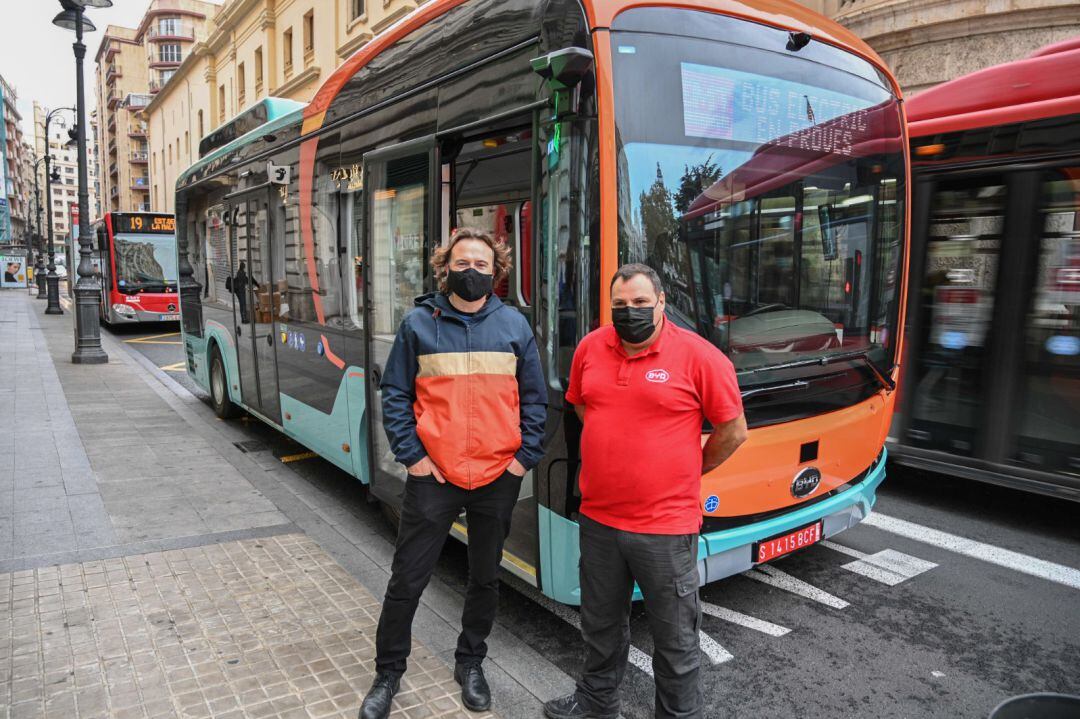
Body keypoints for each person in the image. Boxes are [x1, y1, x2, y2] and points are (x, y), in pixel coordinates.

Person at [544, 263, 747, 719]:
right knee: (600, 627)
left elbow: (733, 430)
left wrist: (687, 469)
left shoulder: (699, 356)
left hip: (665, 528)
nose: (629, 311)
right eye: (620, 305)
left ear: (660, 303)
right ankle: (597, 704)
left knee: (675, 640)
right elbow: (579, 405)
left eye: (639, 303)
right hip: (599, 521)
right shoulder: (590, 348)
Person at [359, 228, 547, 719]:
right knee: (408, 578)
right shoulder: (419, 324)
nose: (472, 272)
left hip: (495, 477)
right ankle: (388, 673)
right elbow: (395, 394)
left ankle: (471, 663)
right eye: (462, 263)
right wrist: (413, 456)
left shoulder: (514, 326)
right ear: (445, 268)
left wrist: (520, 461)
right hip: (433, 477)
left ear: (496, 272)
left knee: (484, 578)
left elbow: (534, 400)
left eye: (482, 265)